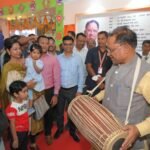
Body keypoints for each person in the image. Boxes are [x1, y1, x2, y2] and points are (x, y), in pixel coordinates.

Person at [95, 26, 150, 150]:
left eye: (111, 50)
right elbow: (111, 88)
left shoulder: (145, 75)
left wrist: (139, 129)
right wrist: (96, 98)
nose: (108, 54)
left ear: (125, 48)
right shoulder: (116, 65)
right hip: (108, 134)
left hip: (132, 144)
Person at [54, 36, 84, 142]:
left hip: (73, 89)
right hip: (61, 89)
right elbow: (56, 76)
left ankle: (72, 131)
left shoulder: (78, 58)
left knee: (73, 112)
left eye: (70, 44)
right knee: (59, 112)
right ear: (62, 45)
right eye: (65, 44)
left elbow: (81, 75)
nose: (68, 46)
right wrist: (56, 92)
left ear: (73, 45)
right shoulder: (58, 58)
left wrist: (79, 90)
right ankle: (60, 128)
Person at [37, 35, 61, 145]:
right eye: (42, 43)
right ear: (37, 43)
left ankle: (47, 133)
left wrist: (55, 94)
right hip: (35, 91)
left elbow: (57, 78)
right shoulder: (30, 58)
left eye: (47, 43)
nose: (45, 45)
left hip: (48, 91)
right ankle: (33, 136)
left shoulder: (53, 59)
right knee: (35, 115)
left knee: (48, 114)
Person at [85, 31, 112, 95]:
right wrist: (97, 80)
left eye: (102, 39)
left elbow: (113, 68)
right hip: (92, 83)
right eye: (98, 39)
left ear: (107, 39)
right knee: (90, 103)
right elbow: (88, 67)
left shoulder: (111, 52)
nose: (100, 41)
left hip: (105, 83)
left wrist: (103, 80)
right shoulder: (91, 51)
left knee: (103, 104)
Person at [5, 80, 29, 150]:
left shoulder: (25, 101)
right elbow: (12, 125)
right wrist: (15, 139)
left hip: (25, 130)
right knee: (17, 147)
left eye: (27, 91)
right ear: (15, 94)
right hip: (18, 133)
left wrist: (29, 127)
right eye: (24, 91)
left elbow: (27, 114)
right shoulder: (12, 108)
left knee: (24, 146)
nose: (27, 93)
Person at [24, 43, 45, 112]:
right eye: (34, 52)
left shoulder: (40, 62)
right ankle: (29, 107)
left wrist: (34, 64)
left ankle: (36, 107)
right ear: (30, 53)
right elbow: (24, 67)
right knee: (29, 94)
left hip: (36, 79)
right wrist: (25, 64)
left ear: (40, 54)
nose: (36, 54)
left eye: (38, 53)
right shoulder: (28, 60)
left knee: (36, 94)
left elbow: (38, 71)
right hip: (28, 78)